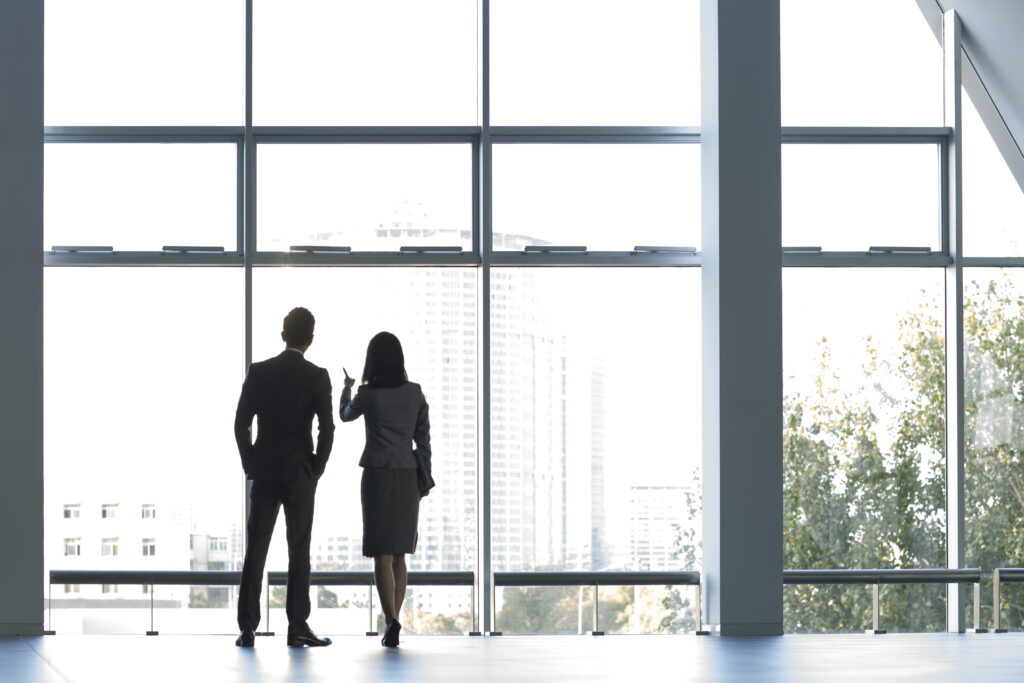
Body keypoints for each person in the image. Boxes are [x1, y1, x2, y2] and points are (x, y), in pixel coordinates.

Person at [233, 307, 334, 648]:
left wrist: (250, 461)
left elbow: (240, 423)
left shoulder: (259, 372)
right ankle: (297, 627)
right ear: (310, 339)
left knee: (256, 550)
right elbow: (327, 428)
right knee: (299, 549)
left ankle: (247, 629)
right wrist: (317, 466)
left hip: (264, 471)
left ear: (282, 334)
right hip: (299, 474)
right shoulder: (318, 376)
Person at [340, 331, 431, 648]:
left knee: (381, 551)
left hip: (377, 475)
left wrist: (346, 389)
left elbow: (345, 415)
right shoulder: (416, 393)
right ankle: (395, 620)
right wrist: (424, 479)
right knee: (400, 554)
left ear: (372, 360)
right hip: (407, 476)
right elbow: (424, 441)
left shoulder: (366, 394)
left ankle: (391, 620)